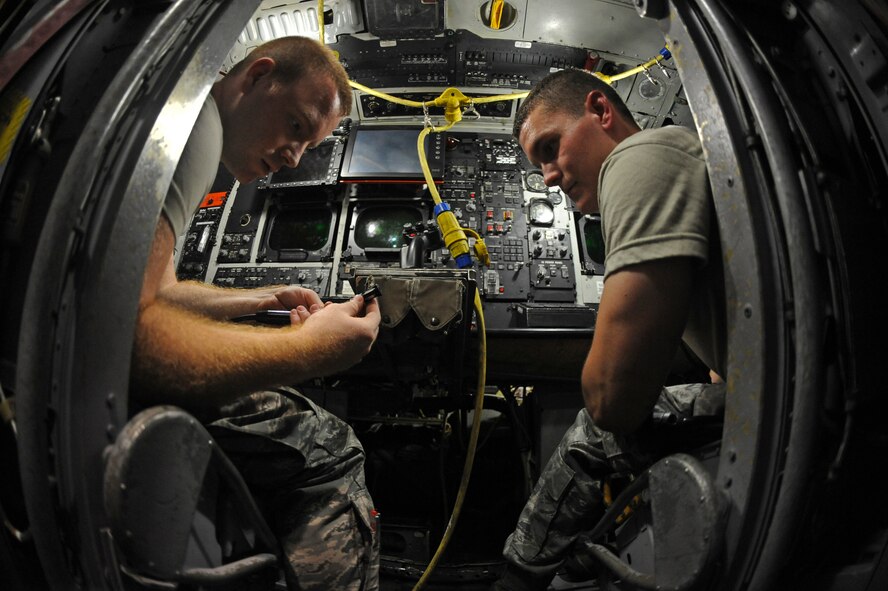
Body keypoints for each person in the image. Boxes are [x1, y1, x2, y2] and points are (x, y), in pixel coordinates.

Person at [130, 36, 381, 590]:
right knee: (333, 447)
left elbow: (158, 292)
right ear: (256, 77)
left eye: (308, 144)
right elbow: (140, 340)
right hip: (107, 382)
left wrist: (264, 299)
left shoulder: (179, 121)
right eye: (296, 127)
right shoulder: (197, 131)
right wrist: (313, 349)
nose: (293, 158)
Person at [493, 68, 727, 590]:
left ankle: (518, 580)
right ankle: (582, 560)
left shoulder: (638, 158)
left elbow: (611, 401)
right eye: (539, 166)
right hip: (770, 391)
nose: (549, 176)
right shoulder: (673, 156)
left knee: (592, 432)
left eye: (551, 147)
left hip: (796, 406)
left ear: (600, 110)